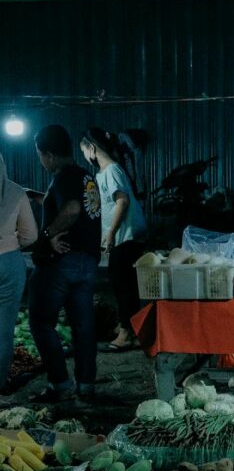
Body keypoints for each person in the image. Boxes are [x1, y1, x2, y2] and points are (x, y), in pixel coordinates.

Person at [28, 124, 102, 401]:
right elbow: (68, 205)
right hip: (87, 262)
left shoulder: (63, 177)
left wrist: (46, 236)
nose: (41, 161)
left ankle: (59, 385)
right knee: (83, 325)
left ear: (48, 154)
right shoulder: (84, 176)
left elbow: (71, 209)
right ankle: (86, 386)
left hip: (62, 262)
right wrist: (38, 198)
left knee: (41, 321)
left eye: (40, 155)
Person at [79, 127, 147, 352]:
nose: (84, 156)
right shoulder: (104, 172)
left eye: (84, 151)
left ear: (92, 148)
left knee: (124, 286)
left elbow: (122, 201)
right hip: (120, 237)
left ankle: (126, 334)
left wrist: (110, 233)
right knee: (122, 285)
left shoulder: (112, 170)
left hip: (125, 237)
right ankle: (128, 328)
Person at [0, 153, 38, 390]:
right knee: (3, 329)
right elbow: (30, 235)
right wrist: (11, 242)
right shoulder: (15, 191)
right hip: (8, 264)